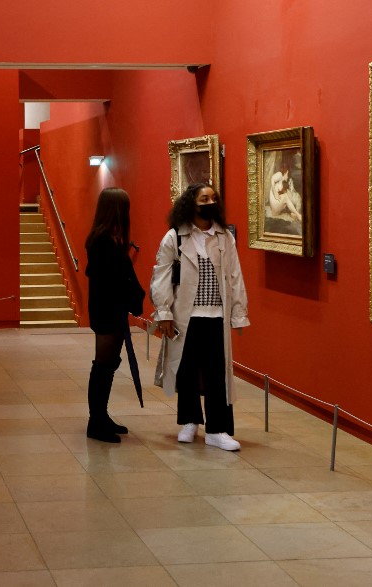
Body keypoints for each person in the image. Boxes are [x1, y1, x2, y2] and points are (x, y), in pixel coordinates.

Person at [150, 183, 249, 451]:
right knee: (187, 370)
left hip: (216, 316)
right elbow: (161, 277)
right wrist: (164, 312)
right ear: (190, 203)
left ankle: (217, 429)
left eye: (213, 198)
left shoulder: (224, 238)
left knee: (217, 373)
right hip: (186, 316)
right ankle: (190, 421)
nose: (209, 202)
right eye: (203, 198)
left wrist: (239, 312)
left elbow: (235, 275)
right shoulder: (175, 238)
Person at [84, 187, 144, 443]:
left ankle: (101, 416)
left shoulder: (108, 238)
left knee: (107, 366)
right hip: (107, 310)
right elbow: (110, 279)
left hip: (110, 309)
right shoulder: (103, 241)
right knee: (103, 366)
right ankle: (96, 422)